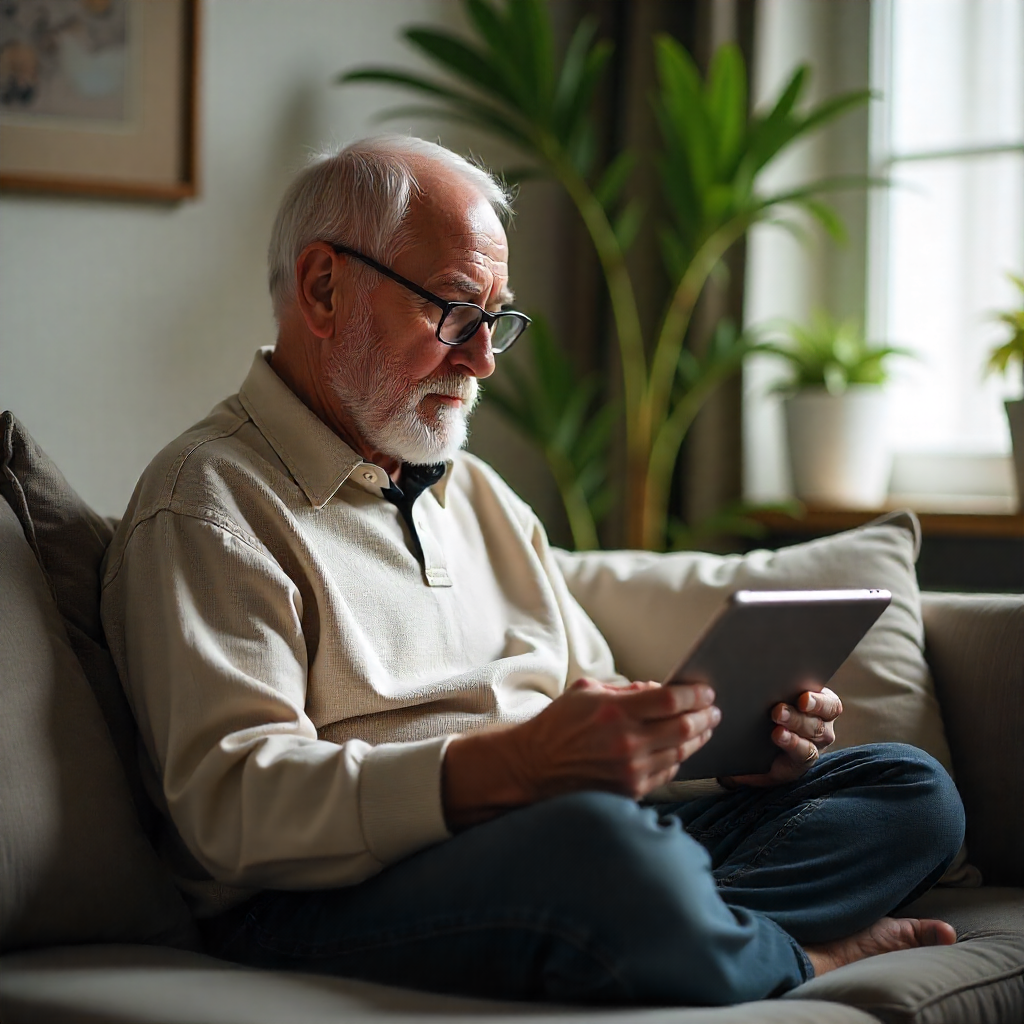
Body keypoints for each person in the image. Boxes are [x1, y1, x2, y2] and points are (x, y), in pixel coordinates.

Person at [101, 135, 965, 1006]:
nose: (481, 360)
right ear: (324, 289)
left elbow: (590, 704)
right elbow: (231, 807)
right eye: (451, 310)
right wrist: (510, 769)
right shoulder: (207, 501)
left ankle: (683, 935)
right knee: (605, 853)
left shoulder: (475, 494)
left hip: (569, 847)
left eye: (495, 319)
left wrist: (718, 750)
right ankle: (789, 957)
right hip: (323, 897)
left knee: (907, 788)